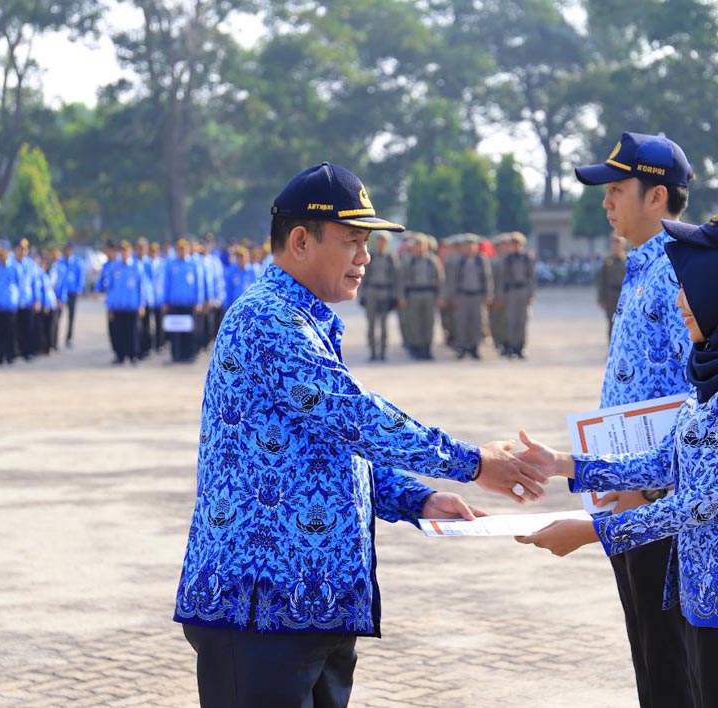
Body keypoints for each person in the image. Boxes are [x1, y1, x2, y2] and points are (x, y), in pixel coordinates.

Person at [173, 162, 547, 708]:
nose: (365, 258)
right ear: (300, 241)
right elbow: (354, 416)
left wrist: (416, 498)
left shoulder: (306, 319)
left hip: (314, 604)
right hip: (260, 610)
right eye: (352, 241)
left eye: (367, 243)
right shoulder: (267, 319)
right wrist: (471, 462)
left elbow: (330, 446)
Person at [516, 205, 718, 708]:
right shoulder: (716, 369)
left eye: (692, 287)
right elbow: (665, 462)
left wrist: (590, 532)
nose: (680, 301)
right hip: (702, 594)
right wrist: (566, 465)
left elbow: (696, 503)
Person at [569, 131, 697, 707]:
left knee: (668, 659)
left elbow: (701, 394)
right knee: (649, 652)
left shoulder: (678, 273)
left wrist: (648, 493)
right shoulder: (641, 267)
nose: (606, 200)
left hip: (659, 505)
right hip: (630, 493)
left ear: (657, 196)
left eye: (617, 188)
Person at [398, 233, 444, 360]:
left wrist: (441, 296)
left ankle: (427, 347)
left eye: (421, 245)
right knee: (415, 322)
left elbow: (440, 280)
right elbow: (402, 280)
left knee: (429, 322)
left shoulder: (432, 260)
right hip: (413, 295)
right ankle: (417, 347)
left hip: (429, 294)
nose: (419, 248)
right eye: (416, 245)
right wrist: (402, 297)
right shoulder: (408, 261)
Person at [447, 234, 492, 359]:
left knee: (477, 323)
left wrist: (488, 295)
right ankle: (462, 346)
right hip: (462, 295)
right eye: (466, 245)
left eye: (472, 245)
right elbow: (452, 280)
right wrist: (453, 296)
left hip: (477, 295)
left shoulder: (481, 260)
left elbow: (487, 279)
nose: (469, 248)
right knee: (462, 322)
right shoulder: (458, 261)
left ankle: (474, 347)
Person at [357, 231, 401, 361]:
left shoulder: (390, 258)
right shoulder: (371, 257)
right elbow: (363, 277)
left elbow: (396, 279)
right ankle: (372, 351)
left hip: (385, 293)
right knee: (371, 324)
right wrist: (362, 295)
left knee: (383, 324)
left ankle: (382, 351)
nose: (381, 244)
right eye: (379, 241)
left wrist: (395, 296)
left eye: (383, 241)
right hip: (372, 292)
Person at [162, 239, 205, 363]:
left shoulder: (193, 265)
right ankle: (176, 355)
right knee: (175, 331)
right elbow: (166, 284)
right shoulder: (171, 265)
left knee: (190, 331)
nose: (181, 251)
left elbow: (199, 285)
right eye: (179, 249)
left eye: (183, 248)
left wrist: (199, 301)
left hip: (189, 304)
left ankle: (189, 354)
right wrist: (165, 301)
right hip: (175, 304)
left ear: (187, 250)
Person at [498, 232, 535, 359]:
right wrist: (502, 295)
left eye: (517, 244)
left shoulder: (526, 258)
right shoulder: (507, 259)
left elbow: (531, 277)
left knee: (522, 321)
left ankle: (520, 347)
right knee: (512, 321)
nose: (515, 247)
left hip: (523, 290)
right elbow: (503, 278)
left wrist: (531, 294)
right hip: (511, 291)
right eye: (513, 244)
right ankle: (511, 347)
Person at [596, 235, 627, 341]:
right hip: (610, 296)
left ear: (623, 245)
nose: (616, 248)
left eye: (618, 245)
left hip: (623, 296)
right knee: (611, 322)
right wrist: (601, 299)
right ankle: (611, 347)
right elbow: (602, 281)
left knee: (624, 322)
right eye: (614, 245)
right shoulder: (607, 262)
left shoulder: (627, 261)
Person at [0, 239, 21, 364]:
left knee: (11, 332)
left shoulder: (14, 267)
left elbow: (19, 284)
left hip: (10, 305)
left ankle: (11, 356)